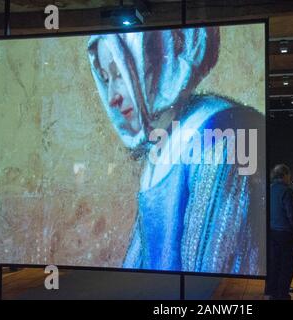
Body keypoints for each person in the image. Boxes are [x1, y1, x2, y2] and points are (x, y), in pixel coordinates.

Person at [87, 27, 266, 274]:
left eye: (120, 73)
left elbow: (214, 275)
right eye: (106, 79)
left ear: (159, 58)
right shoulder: (160, 141)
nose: (112, 97)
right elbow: (140, 259)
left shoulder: (219, 133)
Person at [265, 164, 293, 300]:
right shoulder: (286, 191)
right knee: (287, 265)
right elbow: (291, 213)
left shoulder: (268, 189)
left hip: (272, 232)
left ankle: (271, 292)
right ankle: (282, 294)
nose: (290, 177)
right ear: (284, 175)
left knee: (274, 263)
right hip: (286, 233)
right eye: (288, 175)